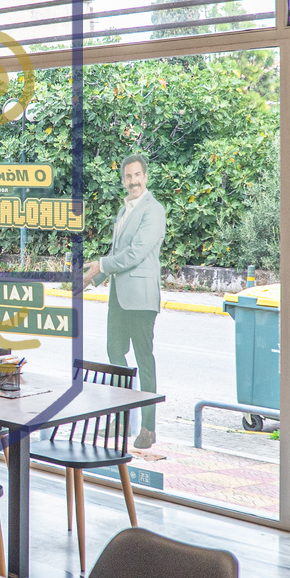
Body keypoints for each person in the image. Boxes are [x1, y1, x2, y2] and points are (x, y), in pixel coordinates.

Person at [83, 154, 166, 447]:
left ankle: (148, 428)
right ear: (123, 181)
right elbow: (116, 253)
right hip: (119, 297)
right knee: (115, 354)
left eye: (137, 175)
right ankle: (121, 421)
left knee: (144, 360)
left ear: (146, 177)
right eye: (128, 177)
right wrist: (91, 278)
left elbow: (135, 253)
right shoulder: (123, 211)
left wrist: (101, 265)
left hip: (141, 299)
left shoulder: (154, 210)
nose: (133, 181)